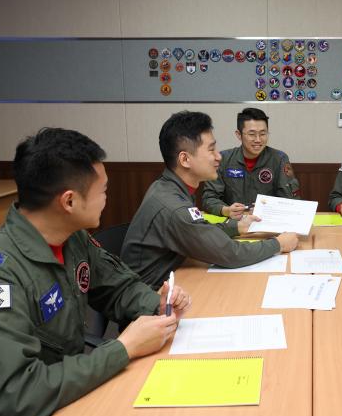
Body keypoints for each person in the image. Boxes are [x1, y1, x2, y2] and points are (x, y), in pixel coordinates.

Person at [0, 128, 191, 416]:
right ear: (69, 201)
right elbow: (17, 399)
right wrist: (124, 348)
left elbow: (116, 285)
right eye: (103, 190)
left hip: (68, 397)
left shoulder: (72, 238)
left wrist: (155, 302)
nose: (108, 198)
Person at [121, 111, 298, 288]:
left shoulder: (170, 187)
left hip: (171, 281)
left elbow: (198, 230)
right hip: (151, 299)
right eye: (211, 150)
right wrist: (278, 244)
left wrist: (236, 226)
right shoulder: (173, 206)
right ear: (185, 159)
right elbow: (230, 254)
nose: (218, 157)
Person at [201, 107, 300, 220]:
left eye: (263, 134)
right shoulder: (223, 159)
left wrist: (268, 210)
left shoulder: (279, 159)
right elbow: (209, 198)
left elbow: (291, 201)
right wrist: (226, 210)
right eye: (252, 134)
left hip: (266, 224)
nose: (258, 140)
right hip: (232, 225)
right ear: (239, 135)